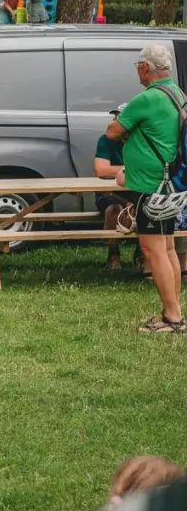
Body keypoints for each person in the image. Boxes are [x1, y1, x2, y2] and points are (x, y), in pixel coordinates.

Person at [107, 44, 187, 333]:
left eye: (138, 66)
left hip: (150, 187)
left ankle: (173, 318)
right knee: (166, 248)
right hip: (171, 183)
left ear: (145, 68)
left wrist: (127, 126)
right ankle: (173, 311)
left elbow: (112, 131)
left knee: (154, 251)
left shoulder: (147, 98)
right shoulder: (177, 94)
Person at [96, 103, 129, 271]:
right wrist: (127, 169)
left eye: (120, 118)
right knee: (113, 209)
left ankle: (141, 254)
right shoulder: (105, 139)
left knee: (141, 209)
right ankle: (113, 253)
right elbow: (101, 170)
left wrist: (114, 170)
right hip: (110, 192)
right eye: (115, 116)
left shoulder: (140, 140)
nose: (115, 120)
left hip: (134, 190)